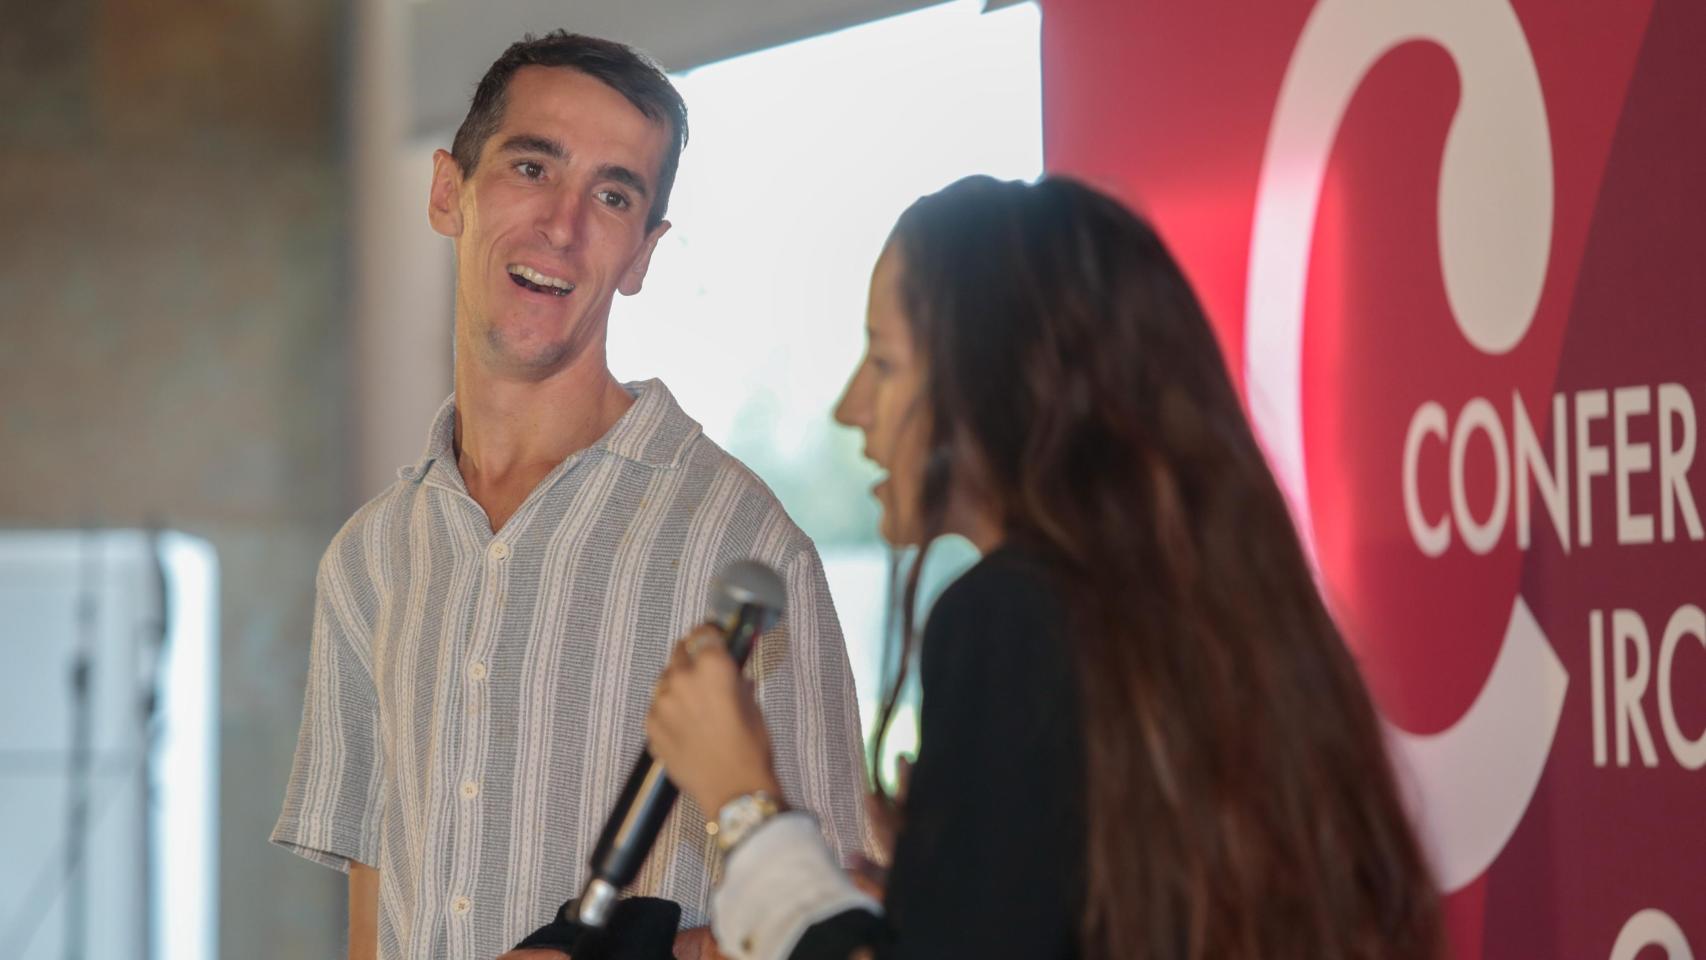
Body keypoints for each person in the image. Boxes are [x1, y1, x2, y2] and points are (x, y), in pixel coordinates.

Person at [645, 175, 1445, 960]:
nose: (852, 408)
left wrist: (744, 805)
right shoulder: (1209, 627)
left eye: (884, 364)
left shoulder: (1008, 614)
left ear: (999, 381)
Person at [271, 32, 869, 960]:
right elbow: (374, 917)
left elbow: (833, 920)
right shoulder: (370, 558)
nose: (564, 223)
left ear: (642, 254)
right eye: (531, 166)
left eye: (614, 194)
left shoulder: (742, 549)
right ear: (447, 193)